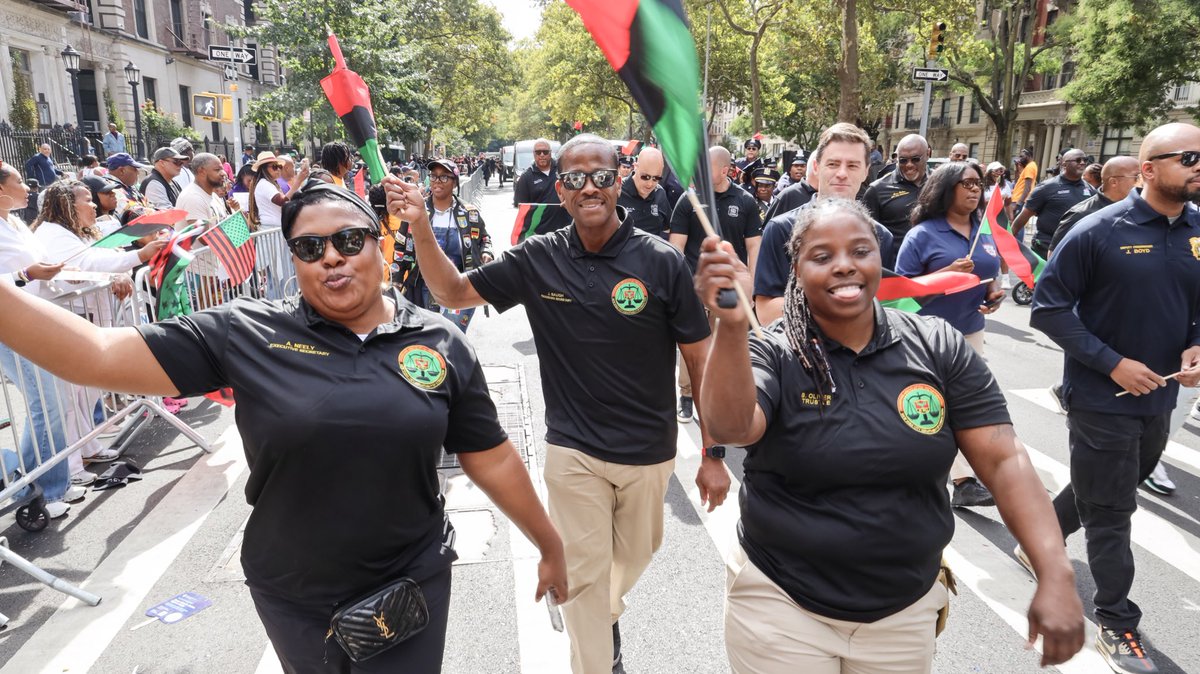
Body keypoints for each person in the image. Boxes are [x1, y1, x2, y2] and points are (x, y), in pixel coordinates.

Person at [0, 179, 567, 672]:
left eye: (349, 240)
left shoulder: (439, 341)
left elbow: (490, 455)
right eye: (309, 247)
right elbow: (95, 354)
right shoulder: (245, 332)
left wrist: (549, 543)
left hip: (408, 582)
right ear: (294, 259)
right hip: (294, 594)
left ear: (380, 243)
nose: (331, 258)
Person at [692, 197, 1085, 674]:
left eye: (860, 251)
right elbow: (733, 427)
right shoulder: (773, 350)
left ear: (881, 258)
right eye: (822, 256)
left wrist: (1055, 571)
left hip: (903, 612)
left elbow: (1004, 460)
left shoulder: (938, 345)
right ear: (796, 270)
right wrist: (730, 328)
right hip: (782, 604)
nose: (844, 265)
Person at [386, 134, 729, 674]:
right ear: (560, 191)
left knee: (628, 563)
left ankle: (596, 616)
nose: (589, 187)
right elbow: (451, 293)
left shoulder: (662, 262)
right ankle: (598, 657)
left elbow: (699, 359)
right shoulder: (537, 257)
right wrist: (421, 225)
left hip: (648, 453)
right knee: (587, 578)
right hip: (573, 451)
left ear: (618, 181)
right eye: (574, 179)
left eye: (601, 176)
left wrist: (712, 452)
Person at [1029, 122, 1200, 674]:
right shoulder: (1098, 230)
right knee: (1112, 511)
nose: (1199, 166)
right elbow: (1048, 309)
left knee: (1107, 486)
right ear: (1148, 169)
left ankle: (1039, 540)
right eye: (1188, 157)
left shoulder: (1198, 227)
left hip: (1161, 399)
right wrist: (1113, 364)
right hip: (1100, 399)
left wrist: (1196, 344)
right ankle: (1116, 621)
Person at [894, 162, 1005, 508]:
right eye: (966, 183)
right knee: (929, 408)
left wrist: (994, 294)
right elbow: (901, 293)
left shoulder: (984, 231)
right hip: (926, 336)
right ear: (946, 189)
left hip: (970, 332)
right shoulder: (922, 235)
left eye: (978, 183)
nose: (975, 189)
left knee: (966, 404)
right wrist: (945, 273)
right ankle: (945, 478)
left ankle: (963, 479)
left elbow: (992, 273)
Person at [753, 123, 894, 326]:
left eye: (852, 165)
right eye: (833, 164)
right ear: (817, 167)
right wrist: (841, 303)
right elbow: (766, 312)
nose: (842, 173)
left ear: (866, 172)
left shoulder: (881, 237)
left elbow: (884, 307)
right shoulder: (781, 229)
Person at [0, 162, 75, 518]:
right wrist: (25, 273)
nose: (28, 186)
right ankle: (42, 490)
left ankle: (40, 484)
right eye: (19, 181)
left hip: (34, 320)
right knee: (46, 405)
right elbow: (18, 273)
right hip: (10, 327)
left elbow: (37, 266)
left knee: (50, 403)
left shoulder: (15, 222)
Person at [670, 146, 762, 423]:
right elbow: (677, 247)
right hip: (695, 288)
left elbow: (754, 247)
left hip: (731, 289)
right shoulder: (689, 200)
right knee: (693, 344)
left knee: (727, 346)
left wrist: (753, 289)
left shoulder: (745, 202)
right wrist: (683, 286)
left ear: (724, 170)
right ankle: (687, 396)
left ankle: (724, 400)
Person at [395, 159, 493, 333]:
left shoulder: (469, 213)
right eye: (433, 176)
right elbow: (401, 245)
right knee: (428, 336)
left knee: (453, 335)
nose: (437, 182)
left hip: (460, 286)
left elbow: (484, 239)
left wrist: (487, 253)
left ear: (454, 182)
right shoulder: (417, 211)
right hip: (424, 286)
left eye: (444, 177)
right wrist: (396, 280)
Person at [1011, 148, 1095, 259]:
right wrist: (1008, 243)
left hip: (1076, 248)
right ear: (1064, 164)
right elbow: (1023, 217)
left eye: (1085, 160)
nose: (1083, 163)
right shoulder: (1046, 187)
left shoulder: (1091, 190)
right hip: (1046, 248)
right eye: (1078, 160)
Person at [1048, 155, 1140, 255]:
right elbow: (1055, 256)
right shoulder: (1080, 214)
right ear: (1114, 182)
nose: (1142, 182)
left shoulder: (1139, 211)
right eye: (1137, 177)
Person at [862, 133, 930, 267]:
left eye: (915, 159)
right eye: (903, 160)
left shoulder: (939, 184)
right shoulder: (877, 190)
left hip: (934, 268)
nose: (909, 165)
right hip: (895, 271)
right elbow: (867, 237)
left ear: (928, 154)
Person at [616, 146, 671, 237]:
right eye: (645, 177)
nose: (650, 184)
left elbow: (667, 229)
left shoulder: (660, 193)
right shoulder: (618, 191)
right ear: (635, 167)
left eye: (656, 178)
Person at [176, 153, 233, 223]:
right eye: (217, 170)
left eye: (222, 169)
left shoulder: (213, 195)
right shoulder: (193, 198)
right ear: (201, 171)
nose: (223, 173)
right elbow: (201, 230)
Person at [1011, 150, 1039, 215]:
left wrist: (1018, 204)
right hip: (1018, 199)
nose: (1020, 159)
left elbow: (1027, 188)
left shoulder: (1030, 167)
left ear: (1028, 156)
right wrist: (1017, 167)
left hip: (1019, 200)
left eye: (1022, 156)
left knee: (1014, 221)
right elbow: (1017, 182)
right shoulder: (1029, 166)